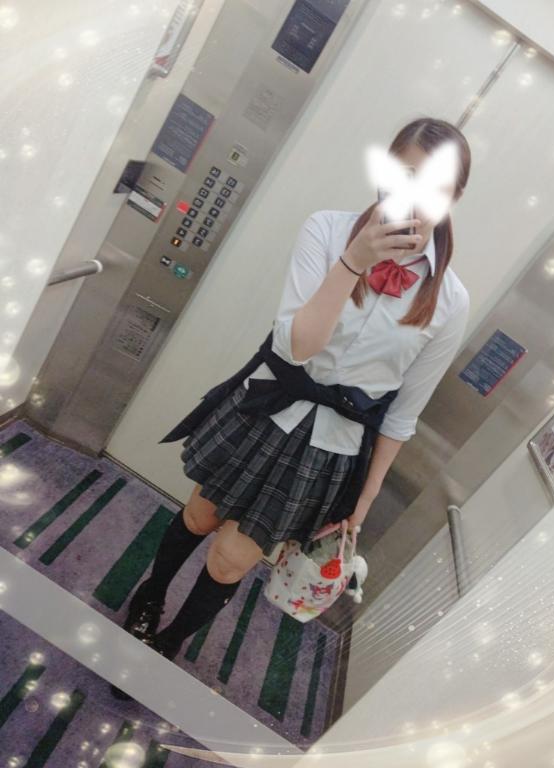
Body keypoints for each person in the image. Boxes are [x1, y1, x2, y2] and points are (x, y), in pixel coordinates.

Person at [110, 117, 471, 698]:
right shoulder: (327, 231)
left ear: (454, 197)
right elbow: (298, 346)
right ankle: (152, 594)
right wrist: (353, 261)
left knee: (230, 560)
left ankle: (168, 642)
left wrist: (364, 500)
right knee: (200, 517)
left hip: (330, 449)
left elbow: (404, 412)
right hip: (268, 407)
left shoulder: (450, 301)